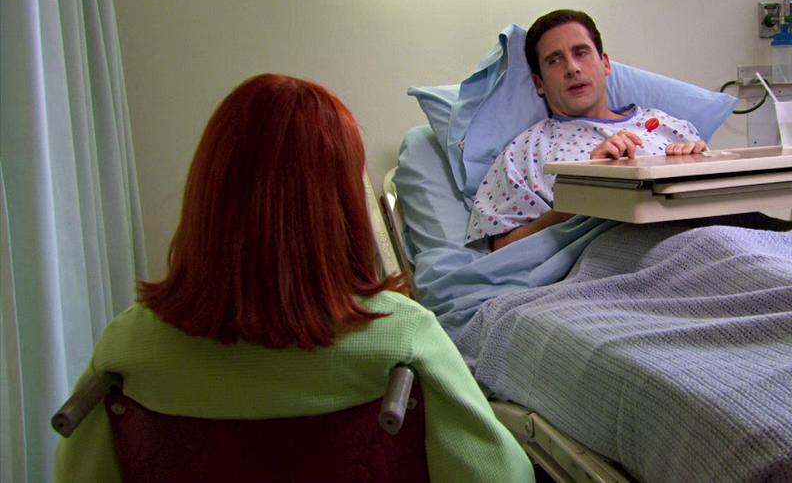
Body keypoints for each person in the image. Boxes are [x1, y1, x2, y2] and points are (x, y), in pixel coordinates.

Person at [54, 74, 535, 483]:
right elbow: (501, 476)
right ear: (342, 206)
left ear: (209, 193)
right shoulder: (405, 339)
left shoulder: (128, 348)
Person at [466, 9, 708, 250]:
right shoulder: (526, 151)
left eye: (581, 53)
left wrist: (700, 170)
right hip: (612, 254)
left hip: (701, 234)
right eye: (554, 60)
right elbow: (502, 250)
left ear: (605, 64)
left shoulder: (668, 127)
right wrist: (583, 196)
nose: (572, 68)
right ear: (539, 83)